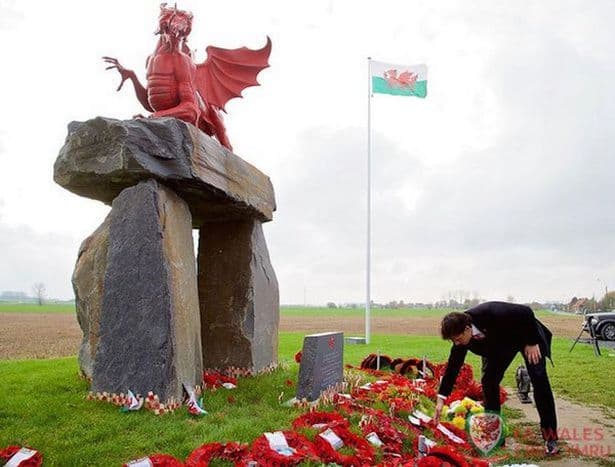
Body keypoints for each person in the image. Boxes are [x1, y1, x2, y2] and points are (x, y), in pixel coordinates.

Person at [434, 301, 559, 455]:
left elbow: (525, 312)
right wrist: (441, 399)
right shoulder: (460, 335)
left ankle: (550, 437)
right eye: (453, 341)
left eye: (458, 339)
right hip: (500, 346)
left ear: (467, 329)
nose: (456, 343)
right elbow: (453, 367)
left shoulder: (491, 312)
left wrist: (531, 341)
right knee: (488, 382)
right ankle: (496, 434)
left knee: (539, 380)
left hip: (525, 335)